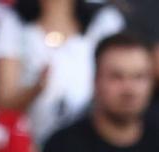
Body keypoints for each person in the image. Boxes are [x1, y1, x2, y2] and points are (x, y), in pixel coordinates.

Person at [12, 0, 127, 144]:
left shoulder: (103, 19)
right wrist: (36, 89)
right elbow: (5, 102)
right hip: (33, 139)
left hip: (91, 139)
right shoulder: (15, 22)